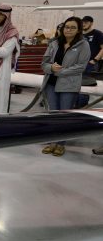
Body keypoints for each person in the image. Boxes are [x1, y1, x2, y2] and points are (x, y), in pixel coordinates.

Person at [40, 16, 90, 157]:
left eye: (73, 27)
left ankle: (61, 144)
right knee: (53, 115)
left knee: (64, 116)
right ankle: (52, 142)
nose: (69, 30)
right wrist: (51, 68)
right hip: (51, 84)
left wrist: (60, 71)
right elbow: (44, 63)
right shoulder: (54, 43)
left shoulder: (83, 45)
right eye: (67, 27)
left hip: (69, 85)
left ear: (78, 30)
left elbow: (81, 66)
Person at [76, 15, 103, 107]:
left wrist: (94, 60)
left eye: (86, 22)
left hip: (90, 64)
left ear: (91, 23)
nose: (83, 24)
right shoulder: (80, 34)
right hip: (78, 63)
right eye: (82, 22)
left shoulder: (97, 33)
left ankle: (82, 106)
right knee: (77, 84)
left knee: (85, 85)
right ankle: (76, 105)